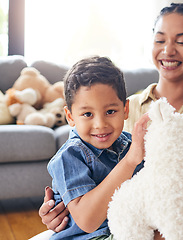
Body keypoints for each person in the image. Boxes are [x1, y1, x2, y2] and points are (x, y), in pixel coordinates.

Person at [39, 1, 183, 235]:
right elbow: (83, 207)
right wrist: (55, 207)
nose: (168, 50)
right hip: (125, 226)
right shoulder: (130, 120)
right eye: (160, 40)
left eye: (182, 41)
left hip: (163, 212)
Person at [46, 56, 149, 239]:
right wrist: (130, 161)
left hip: (127, 227)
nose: (100, 124)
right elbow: (87, 221)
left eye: (110, 111)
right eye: (87, 114)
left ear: (125, 109)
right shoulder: (70, 156)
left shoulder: (131, 144)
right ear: (70, 117)